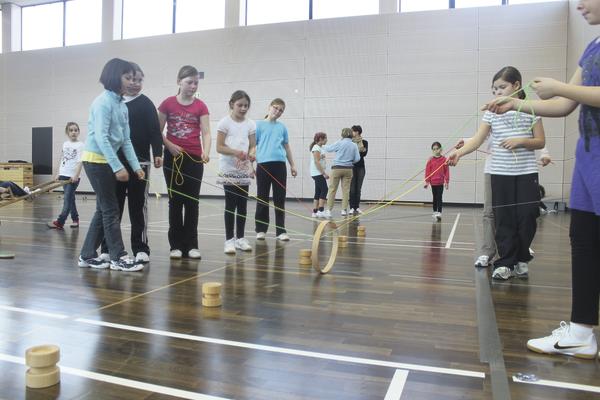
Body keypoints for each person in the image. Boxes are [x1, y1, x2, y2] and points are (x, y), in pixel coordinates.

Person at [485, 0, 600, 359]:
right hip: (588, 153)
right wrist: (515, 105)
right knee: (582, 239)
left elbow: (566, 96)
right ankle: (581, 330)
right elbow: (563, 106)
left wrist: (561, 87)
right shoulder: (593, 46)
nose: (580, 4)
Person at [448, 66, 546, 281]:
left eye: (502, 87)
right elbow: (477, 139)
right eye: (494, 90)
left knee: (528, 216)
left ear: (516, 85)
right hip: (500, 173)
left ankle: (521, 258)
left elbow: (540, 141)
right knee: (504, 220)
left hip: (526, 172)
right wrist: (459, 153)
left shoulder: (532, 109)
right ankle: (506, 263)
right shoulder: (491, 115)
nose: (497, 93)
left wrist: (521, 140)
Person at [78, 58, 145, 272]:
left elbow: (125, 140)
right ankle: (118, 256)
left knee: (103, 209)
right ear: (114, 78)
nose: (132, 82)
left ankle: (87, 255)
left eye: (134, 78)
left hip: (106, 161)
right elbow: (101, 138)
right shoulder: (103, 102)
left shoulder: (121, 105)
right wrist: (117, 167)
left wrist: (135, 167)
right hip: (95, 161)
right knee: (110, 209)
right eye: (127, 78)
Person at [98, 62, 163, 263]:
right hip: (116, 165)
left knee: (138, 206)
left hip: (140, 164)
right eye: (131, 79)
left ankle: (141, 248)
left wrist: (157, 152)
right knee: (113, 206)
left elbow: (155, 130)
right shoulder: (113, 103)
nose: (134, 83)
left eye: (139, 80)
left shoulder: (145, 103)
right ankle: (108, 248)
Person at [454, 139, 553, 268]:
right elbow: (483, 135)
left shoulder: (528, 118)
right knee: (489, 212)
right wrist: (466, 142)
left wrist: (544, 152)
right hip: (493, 169)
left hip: (517, 169)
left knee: (517, 213)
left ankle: (520, 249)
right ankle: (488, 251)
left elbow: (537, 134)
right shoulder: (491, 118)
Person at [158, 65, 211, 259]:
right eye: (189, 82)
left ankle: (192, 244)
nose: (193, 86)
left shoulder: (201, 106)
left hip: (194, 158)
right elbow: (157, 130)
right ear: (179, 82)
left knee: (192, 202)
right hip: (173, 158)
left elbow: (206, 132)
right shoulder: (167, 104)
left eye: (196, 82)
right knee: (175, 201)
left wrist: (206, 151)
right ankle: (176, 246)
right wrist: (169, 145)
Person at [216, 90, 256, 254]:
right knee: (230, 205)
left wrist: (252, 154)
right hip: (229, 169)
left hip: (243, 169)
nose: (243, 108)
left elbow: (252, 145)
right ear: (232, 104)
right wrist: (235, 152)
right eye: (240, 105)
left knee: (242, 205)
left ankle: (240, 238)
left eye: (246, 105)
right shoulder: (224, 123)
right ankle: (229, 240)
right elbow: (219, 147)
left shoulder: (251, 124)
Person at [254, 98, 297, 241]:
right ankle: (261, 229)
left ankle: (281, 231)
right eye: (276, 108)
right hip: (263, 165)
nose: (277, 112)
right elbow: (252, 147)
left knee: (279, 199)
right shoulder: (258, 125)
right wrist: (250, 165)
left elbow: (287, 147)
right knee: (262, 197)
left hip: (279, 165)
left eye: (281, 111)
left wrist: (292, 165)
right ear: (269, 107)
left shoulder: (282, 127)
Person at [47, 122, 84, 230]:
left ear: (78, 132)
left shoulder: (80, 145)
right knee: (70, 199)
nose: (73, 132)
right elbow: (62, 159)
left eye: (76, 130)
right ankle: (75, 219)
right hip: (63, 174)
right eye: (71, 130)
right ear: (67, 132)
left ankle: (60, 222)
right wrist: (57, 174)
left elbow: (80, 162)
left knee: (67, 199)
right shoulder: (65, 144)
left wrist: (76, 175)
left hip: (72, 178)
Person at [323, 128, 360, 217]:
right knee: (346, 190)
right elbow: (357, 158)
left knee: (332, 189)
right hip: (348, 169)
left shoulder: (339, 142)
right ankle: (344, 210)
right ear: (351, 134)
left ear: (342, 134)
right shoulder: (354, 145)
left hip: (337, 168)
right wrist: (350, 161)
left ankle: (329, 210)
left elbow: (329, 149)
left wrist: (322, 145)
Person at [424, 141, 449, 222]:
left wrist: (446, 182)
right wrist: (427, 182)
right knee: (434, 197)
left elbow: (446, 171)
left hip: (440, 182)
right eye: (434, 149)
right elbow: (427, 171)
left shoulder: (444, 159)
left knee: (439, 197)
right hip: (433, 182)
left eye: (437, 149)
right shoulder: (430, 160)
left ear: (440, 149)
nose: (435, 150)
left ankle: (439, 213)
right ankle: (435, 212)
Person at [349, 125, 368, 215]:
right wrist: (360, 150)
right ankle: (351, 207)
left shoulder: (364, 142)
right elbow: (350, 154)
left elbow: (364, 154)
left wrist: (361, 150)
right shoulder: (350, 142)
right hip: (351, 166)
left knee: (358, 188)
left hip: (361, 167)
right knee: (352, 188)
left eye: (352, 131)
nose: (351, 132)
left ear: (357, 132)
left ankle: (357, 207)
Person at [309, 132, 329, 218]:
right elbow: (316, 162)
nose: (327, 140)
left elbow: (318, 158)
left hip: (317, 173)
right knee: (324, 189)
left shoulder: (321, 147)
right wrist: (324, 173)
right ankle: (321, 210)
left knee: (318, 191)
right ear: (321, 139)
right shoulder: (316, 147)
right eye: (325, 138)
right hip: (317, 173)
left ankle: (315, 212)